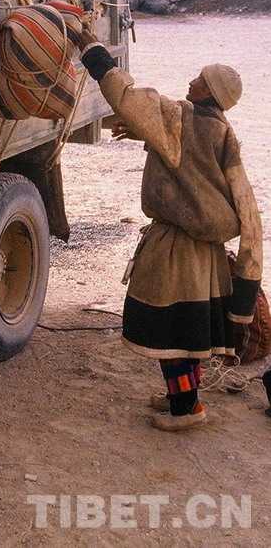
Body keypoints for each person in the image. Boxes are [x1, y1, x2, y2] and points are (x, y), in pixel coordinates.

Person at [74, 28, 263, 431]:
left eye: (200, 80)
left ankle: (186, 410)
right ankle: (185, 396)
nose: (192, 82)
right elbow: (238, 200)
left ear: (210, 92)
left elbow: (127, 96)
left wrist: (93, 51)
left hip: (176, 247)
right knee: (189, 330)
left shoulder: (180, 116)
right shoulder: (223, 131)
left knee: (171, 332)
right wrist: (148, 136)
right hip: (206, 253)